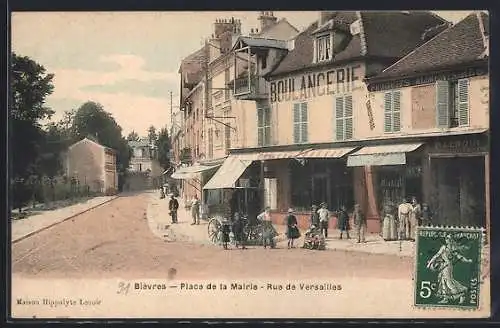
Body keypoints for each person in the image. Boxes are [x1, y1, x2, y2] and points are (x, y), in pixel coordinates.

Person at [426, 234, 473, 304]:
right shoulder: (444, 247)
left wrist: (467, 260)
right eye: (447, 239)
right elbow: (437, 255)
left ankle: (461, 295)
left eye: (449, 239)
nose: (447, 240)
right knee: (443, 282)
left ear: (451, 240)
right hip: (443, 266)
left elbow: (459, 256)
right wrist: (430, 263)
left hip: (447, 267)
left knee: (449, 282)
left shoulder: (450, 248)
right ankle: (446, 298)